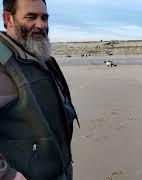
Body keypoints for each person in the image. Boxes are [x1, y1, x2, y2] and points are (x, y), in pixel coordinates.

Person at [0, 0, 78, 179]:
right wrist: (7, 175)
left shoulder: (44, 59)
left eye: (45, 18)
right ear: (8, 19)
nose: (41, 25)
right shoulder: (3, 64)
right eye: (31, 17)